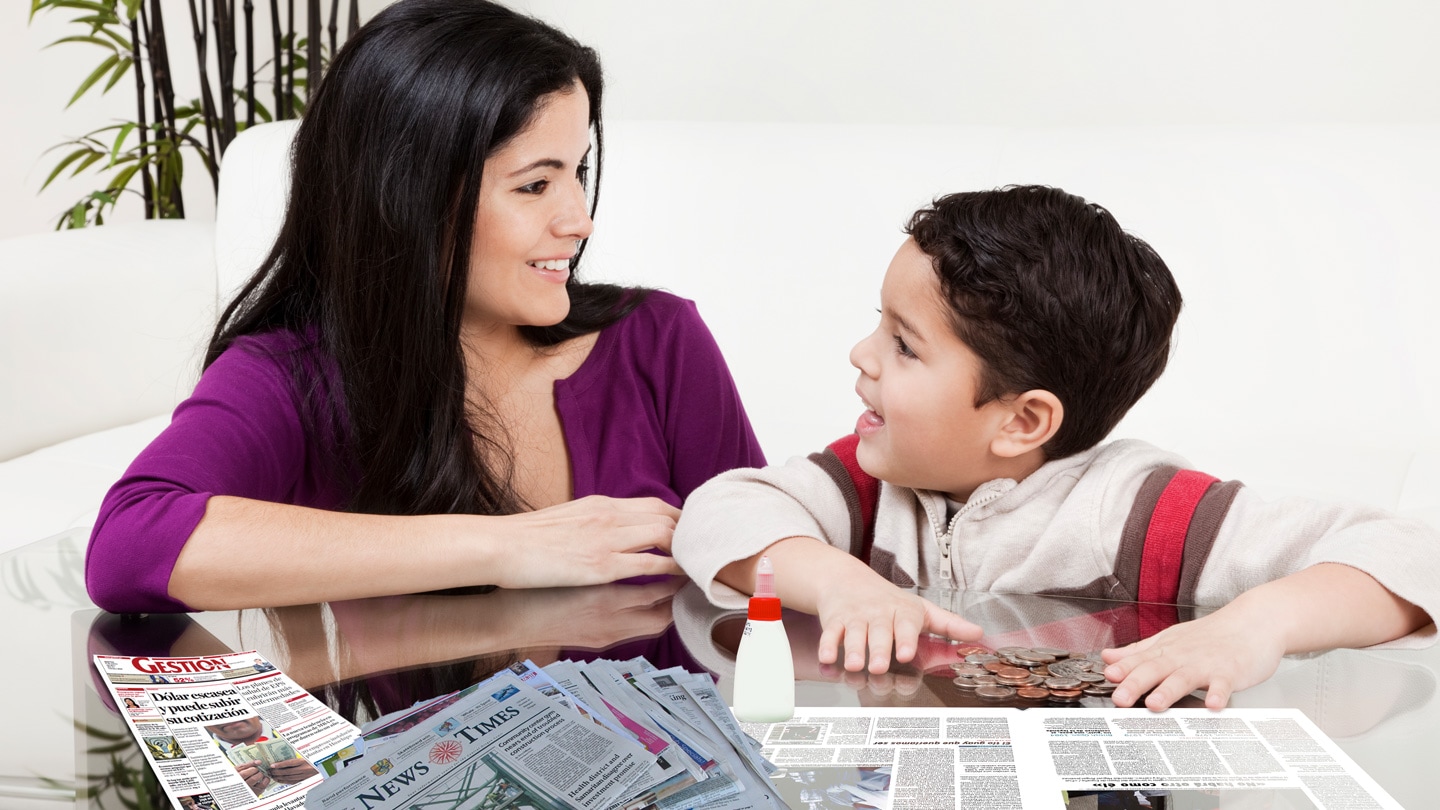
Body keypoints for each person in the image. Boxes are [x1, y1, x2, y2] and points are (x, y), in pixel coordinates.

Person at [84, 0, 763, 613]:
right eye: (534, 186)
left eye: (577, 173)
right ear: (406, 198)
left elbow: (765, 561)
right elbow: (130, 546)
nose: (578, 221)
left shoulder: (659, 341)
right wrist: (509, 549)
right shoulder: (290, 375)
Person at [672, 185, 1438, 711]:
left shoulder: (1151, 515)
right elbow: (718, 510)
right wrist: (842, 585)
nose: (860, 354)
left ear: (1023, 422)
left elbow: (1411, 556)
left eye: (903, 346)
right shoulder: (868, 483)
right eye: (879, 324)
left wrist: (1252, 626)